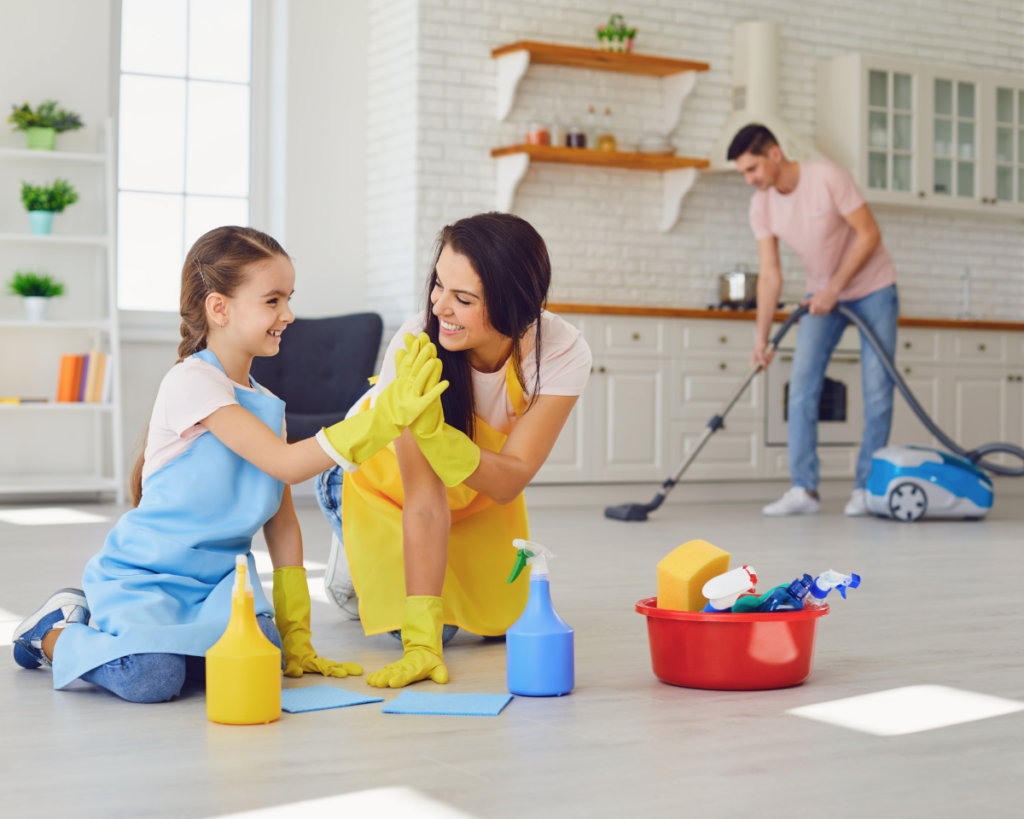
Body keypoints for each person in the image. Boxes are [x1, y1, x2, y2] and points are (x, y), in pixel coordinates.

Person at [13, 226, 446, 703]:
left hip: (221, 584)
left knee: (262, 662)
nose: (289, 314)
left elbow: (282, 523)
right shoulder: (192, 382)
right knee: (153, 679)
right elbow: (286, 465)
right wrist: (380, 419)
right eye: (273, 300)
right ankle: (54, 631)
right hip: (151, 578)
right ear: (219, 308)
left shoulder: (267, 406)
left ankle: (159, 642)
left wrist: (296, 636)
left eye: (289, 298)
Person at [316, 212, 592, 689]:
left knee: (501, 623)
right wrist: (421, 640)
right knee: (436, 627)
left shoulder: (561, 351)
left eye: (463, 298)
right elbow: (422, 500)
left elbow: (511, 479)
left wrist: (443, 440)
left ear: (515, 309)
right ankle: (347, 580)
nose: (440, 305)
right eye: (438, 285)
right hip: (379, 486)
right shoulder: (416, 344)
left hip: (473, 491)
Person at [728, 124, 899, 517]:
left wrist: (835, 287)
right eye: (744, 173)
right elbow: (770, 273)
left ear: (774, 154)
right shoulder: (762, 205)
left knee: (877, 390)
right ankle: (804, 490)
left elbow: (869, 234)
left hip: (872, 290)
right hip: (820, 298)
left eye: (752, 169)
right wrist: (762, 337)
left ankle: (865, 489)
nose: (750, 179)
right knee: (802, 387)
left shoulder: (826, 177)